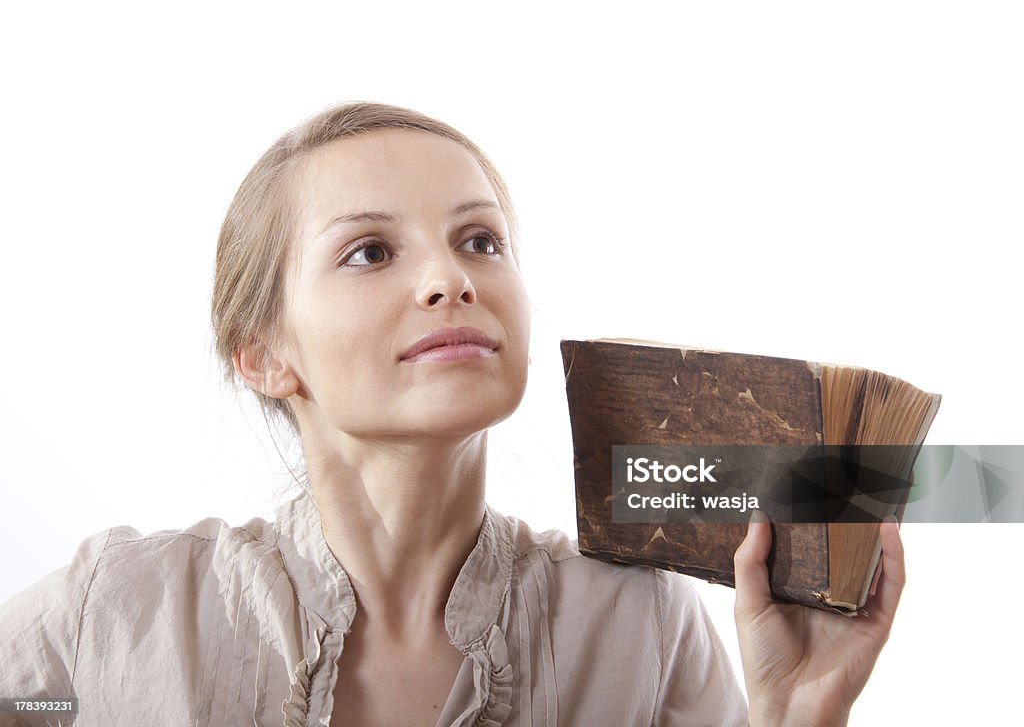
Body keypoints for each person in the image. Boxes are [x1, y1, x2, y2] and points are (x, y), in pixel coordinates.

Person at [0, 101, 904, 727]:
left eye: (480, 241)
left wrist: (793, 715)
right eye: (369, 251)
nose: (450, 279)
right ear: (264, 354)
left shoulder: (641, 623)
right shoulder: (119, 611)